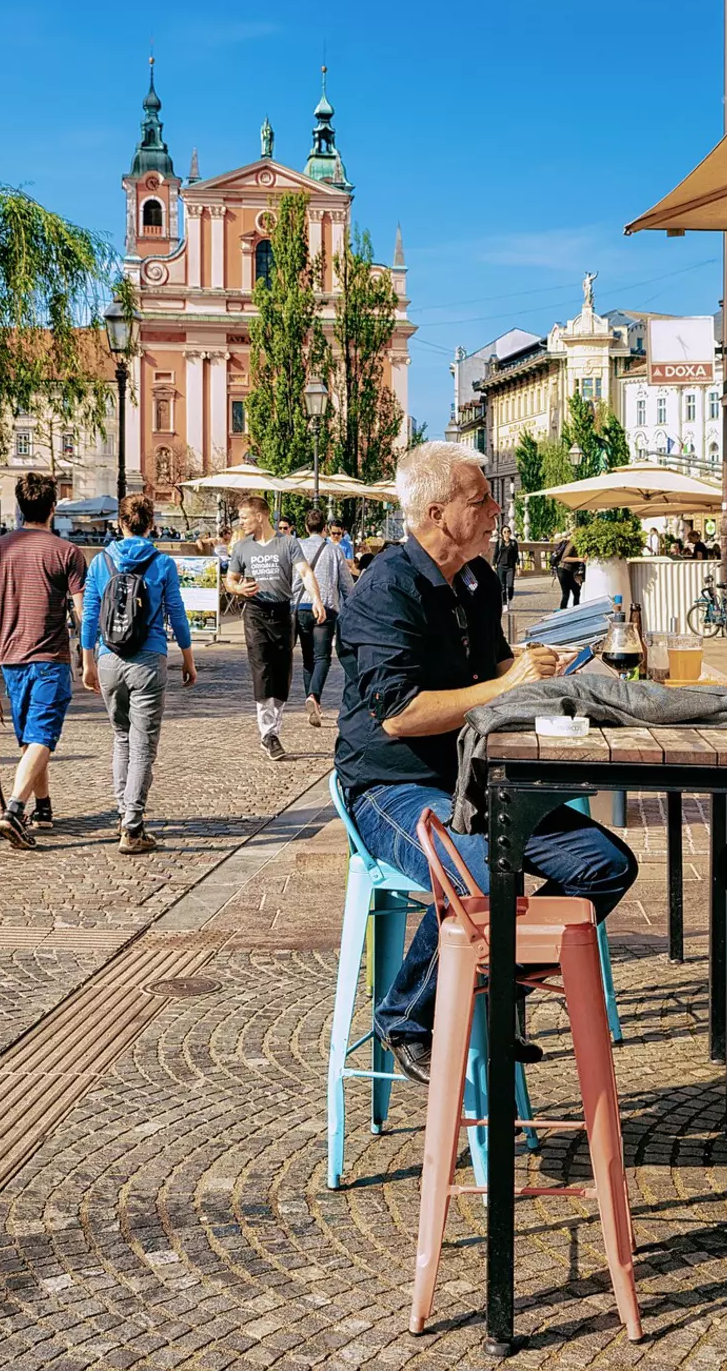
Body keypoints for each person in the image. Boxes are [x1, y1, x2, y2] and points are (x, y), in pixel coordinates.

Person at [338, 440, 636, 1082]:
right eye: (481, 499)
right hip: (393, 783)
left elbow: (494, 666)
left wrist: (536, 669)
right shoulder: (385, 588)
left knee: (605, 865)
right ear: (438, 513)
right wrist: (508, 685)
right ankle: (408, 1016)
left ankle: (496, 992)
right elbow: (401, 714)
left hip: (475, 775)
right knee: (475, 870)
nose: (496, 509)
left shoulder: (475, 578)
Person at [80, 493, 196, 853]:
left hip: (109, 658)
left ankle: (122, 814)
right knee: (143, 745)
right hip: (148, 659)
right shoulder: (162, 564)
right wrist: (188, 660)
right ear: (151, 524)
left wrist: (87, 660)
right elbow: (177, 615)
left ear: (120, 523)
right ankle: (132, 826)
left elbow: (89, 615)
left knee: (120, 738)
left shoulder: (100, 563)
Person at [0, 472, 86, 848]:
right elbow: (80, 612)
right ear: (53, 509)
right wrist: (87, 656)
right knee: (41, 736)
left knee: (30, 737)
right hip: (49, 654)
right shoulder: (67, 552)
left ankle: (42, 807)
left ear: (19, 507)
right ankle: (14, 810)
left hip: (10, 656)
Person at [223, 495, 323, 761]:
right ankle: (268, 733)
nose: (241, 522)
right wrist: (238, 588)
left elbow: (304, 572)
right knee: (262, 668)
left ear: (260, 516)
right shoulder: (242, 547)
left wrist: (316, 599)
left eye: (244, 517)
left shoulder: (288, 543)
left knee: (282, 672)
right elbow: (229, 580)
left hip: (282, 612)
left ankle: (273, 729)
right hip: (255, 612)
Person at [295, 507, 352, 728]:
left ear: (306, 527)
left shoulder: (296, 547)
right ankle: (314, 697)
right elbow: (347, 586)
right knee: (323, 657)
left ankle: (313, 704)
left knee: (308, 658)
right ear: (326, 529)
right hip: (326, 607)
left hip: (300, 607)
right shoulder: (334, 551)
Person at [550, 533, 582, 609]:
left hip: (567, 571)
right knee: (567, 593)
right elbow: (564, 558)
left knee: (575, 592)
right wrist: (579, 559)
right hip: (563, 570)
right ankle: (567, 612)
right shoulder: (571, 544)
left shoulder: (573, 543)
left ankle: (573, 611)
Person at [492, 527, 519, 607]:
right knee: (502, 586)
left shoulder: (513, 543)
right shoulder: (499, 542)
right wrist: (493, 564)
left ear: (510, 533)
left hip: (510, 567)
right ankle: (504, 604)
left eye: (508, 531)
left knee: (510, 585)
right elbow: (495, 554)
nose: (506, 533)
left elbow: (516, 556)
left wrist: (518, 567)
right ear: (502, 533)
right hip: (501, 566)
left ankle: (510, 599)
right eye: (505, 532)